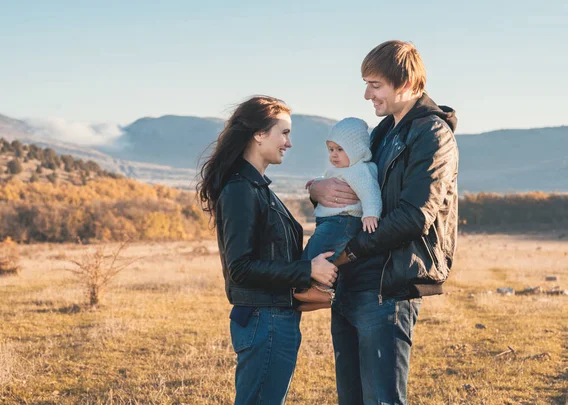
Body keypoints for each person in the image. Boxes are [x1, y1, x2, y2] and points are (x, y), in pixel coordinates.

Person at [309, 40, 459, 404]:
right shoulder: (381, 134)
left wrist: (350, 252)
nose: (366, 94)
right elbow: (348, 180)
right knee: (352, 398)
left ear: (405, 84)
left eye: (374, 85)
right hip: (351, 284)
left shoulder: (432, 135)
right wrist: (316, 188)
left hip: (386, 289)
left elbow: (414, 216)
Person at [196, 95, 338, 404]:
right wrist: (308, 270)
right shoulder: (240, 190)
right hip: (265, 322)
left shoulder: (258, 187)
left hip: (275, 319)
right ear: (259, 135)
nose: (288, 142)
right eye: (283, 132)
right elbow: (240, 268)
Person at [295, 117, 382, 311]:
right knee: (312, 252)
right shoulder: (342, 169)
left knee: (321, 252)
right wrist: (316, 182)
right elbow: (331, 180)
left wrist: (371, 213)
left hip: (344, 221)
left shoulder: (360, 170)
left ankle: (322, 291)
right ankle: (312, 292)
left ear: (356, 149)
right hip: (331, 222)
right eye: (331, 150)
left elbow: (371, 192)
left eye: (340, 150)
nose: (334, 155)